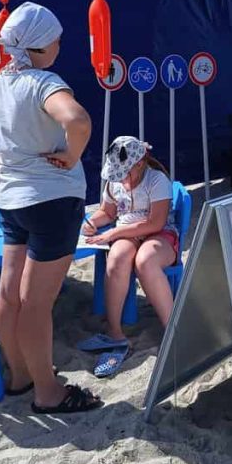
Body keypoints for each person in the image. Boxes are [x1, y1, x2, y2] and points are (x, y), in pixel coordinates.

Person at [0, 1, 102, 414]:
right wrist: (72, 156)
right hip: (51, 199)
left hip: (11, 198)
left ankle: (20, 375)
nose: (59, 45)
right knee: (36, 304)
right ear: (40, 45)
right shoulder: (44, 82)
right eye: (55, 40)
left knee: (8, 295)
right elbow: (79, 120)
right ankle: (48, 392)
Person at [78, 137, 178, 377]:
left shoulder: (156, 180)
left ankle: (174, 332)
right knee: (117, 258)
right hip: (128, 231)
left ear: (140, 163)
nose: (121, 179)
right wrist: (92, 223)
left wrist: (114, 232)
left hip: (159, 234)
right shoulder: (115, 182)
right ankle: (115, 331)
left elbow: (155, 223)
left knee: (146, 261)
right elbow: (107, 211)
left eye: (125, 173)